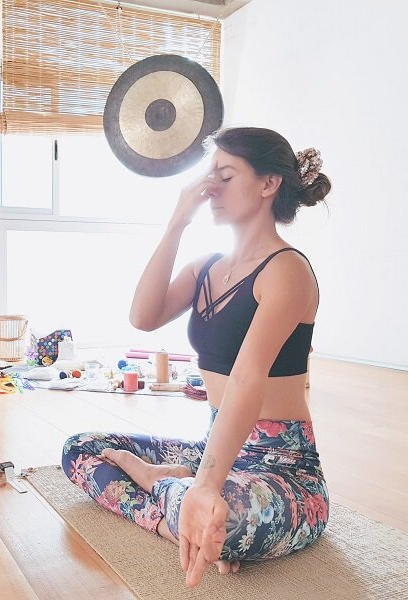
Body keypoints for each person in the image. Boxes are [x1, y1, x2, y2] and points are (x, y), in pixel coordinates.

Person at [61, 127, 332, 588]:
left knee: (228, 524)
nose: (211, 189)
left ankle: (172, 492)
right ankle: (176, 515)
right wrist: (176, 222)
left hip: (281, 467)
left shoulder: (287, 270)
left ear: (269, 185)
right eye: (210, 177)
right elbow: (143, 316)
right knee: (79, 451)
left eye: (225, 176)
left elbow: (247, 380)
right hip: (216, 448)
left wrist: (206, 487)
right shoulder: (205, 266)